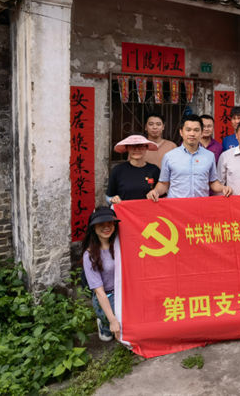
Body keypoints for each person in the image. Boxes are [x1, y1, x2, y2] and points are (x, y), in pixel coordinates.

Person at [146, 115, 233, 200]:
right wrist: (155, 191)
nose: (192, 134)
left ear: (201, 133)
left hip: (201, 205)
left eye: (196, 130)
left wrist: (223, 188)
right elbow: (164, 184)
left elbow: (213, 182)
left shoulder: (209, 156)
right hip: (176, 205)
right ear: (181, 132)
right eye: (188, 130)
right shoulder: (169, 156)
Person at [82, 207, 121, 342]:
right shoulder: (89, 255)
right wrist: (112, 320)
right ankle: (104, 324)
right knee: (111, 332)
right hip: (107, 295)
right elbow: (99, 292)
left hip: (123, 292)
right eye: (101, 224)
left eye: (110, 223)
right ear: (93, 227)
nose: (106, 227)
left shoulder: (120, 244)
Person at [106, 134, 160, 204]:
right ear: (127, 148)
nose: (137, 149)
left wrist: (155, 193)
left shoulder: (154, 170)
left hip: (148, 209)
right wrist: (112, 199)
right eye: (132, 146)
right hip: (125, 210)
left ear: (146, 147)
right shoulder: (118, 170)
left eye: (141, 146)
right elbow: (108, 197)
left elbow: (161, 194)